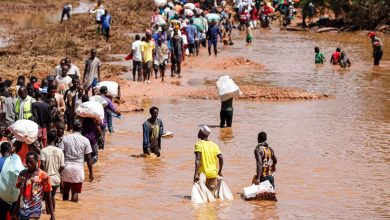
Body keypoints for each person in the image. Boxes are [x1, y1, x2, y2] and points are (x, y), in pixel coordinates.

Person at [59, 120, 93, 202]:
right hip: (78, 169)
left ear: (72, 128)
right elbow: (88, 157)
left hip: (66, 168)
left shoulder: (65, 139)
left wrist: (59, 171)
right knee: (75, 192)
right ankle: (73, 209)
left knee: (65, 190)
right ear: (81, 129)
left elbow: (60, 154)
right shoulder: (85, 140)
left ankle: (65, 211)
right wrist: (91, 173)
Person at [14, 152, 55, 220]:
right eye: (27, 161)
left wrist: (52, 215)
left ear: (37, 161)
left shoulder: (43, 176)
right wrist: (15, 211)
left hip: (35, 210)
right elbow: (21, 193)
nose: (28, 164)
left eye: (31, 162)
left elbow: (48, 196)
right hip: (22, 210)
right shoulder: (22, 174)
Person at [40, 130, 65, 212]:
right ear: (55, 139)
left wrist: (44, 176)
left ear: (47, 139)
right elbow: (62, 166)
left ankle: (50, 213)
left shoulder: (43, 151)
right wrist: (57, 172)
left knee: (48, 196)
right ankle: (52, 213)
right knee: (52, 196)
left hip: (47, 178)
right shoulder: (60, 151)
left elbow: (42, 165)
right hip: (56, 178)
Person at [193, 126, 223, 192]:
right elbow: (221, 157)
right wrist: (220, 171)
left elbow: (198, 160)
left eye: (199, 131)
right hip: (213, 174)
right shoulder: (214, 144)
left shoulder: (198, 144)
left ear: (202, 133)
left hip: (203, 175)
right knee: (211, 194)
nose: (198, 133)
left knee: (201, 195)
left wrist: (196, 174)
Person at [0, 142, 24, 220]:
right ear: (10, 150)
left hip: (2, 195)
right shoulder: (15, 160)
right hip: (14, 195)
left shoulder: (0, 161)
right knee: (14, 215)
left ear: (1, 151)